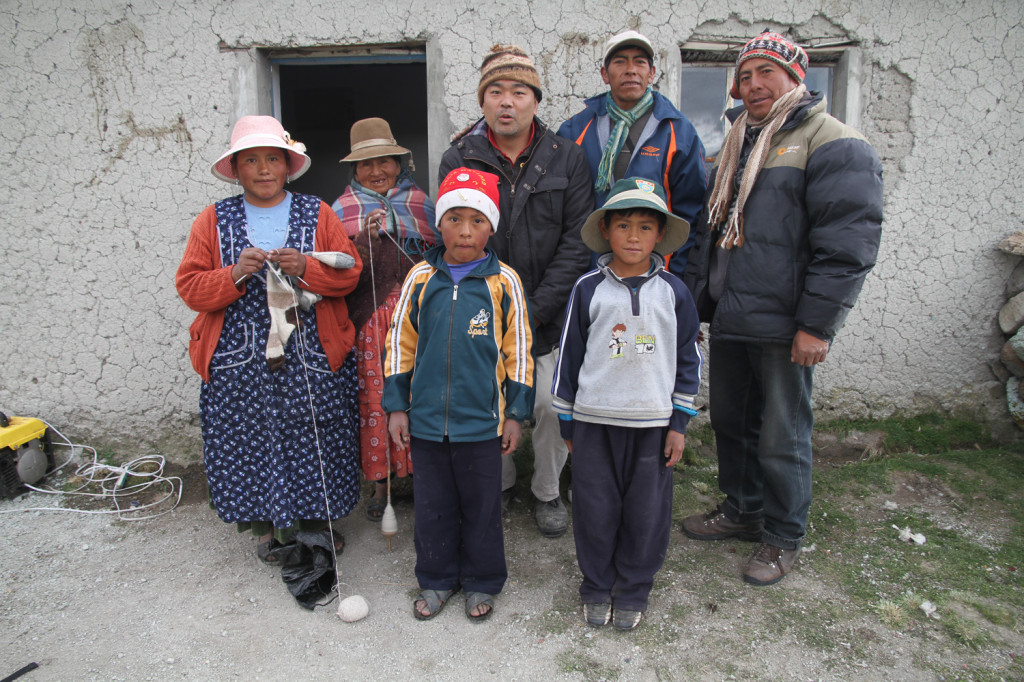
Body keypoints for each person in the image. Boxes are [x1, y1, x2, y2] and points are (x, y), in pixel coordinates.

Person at [681, 31, 884, 585]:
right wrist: (701, 307)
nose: (753, 86)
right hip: (732, 315)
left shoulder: (832, 142)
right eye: (744, 77)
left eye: (766, 73)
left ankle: (782, 534)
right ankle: (743, 509)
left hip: (785, 322)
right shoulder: (739, 145)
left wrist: (817, 325)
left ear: (797, 77)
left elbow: (847, 245)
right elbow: (713, 232)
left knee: (783, 433)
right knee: (730, 421)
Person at [176, 115, 362, 565]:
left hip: (310, 351)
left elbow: (350, 273)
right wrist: (235, 272)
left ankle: (318, 526)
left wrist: (307, 269)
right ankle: (269, 529)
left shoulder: (316, 213)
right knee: (250, 439)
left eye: (272, 160)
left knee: (314, 433)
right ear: (236, 169)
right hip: (239, 358)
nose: (263, 169)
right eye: (252, 160)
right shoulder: (213, 220)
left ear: (287, 166)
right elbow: (190, 287)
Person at [439, 44, 593, 538]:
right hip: (481, 309)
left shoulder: (567, 158)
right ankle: (499, 485)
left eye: (518, 91)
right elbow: (450, 238)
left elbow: (577, 243)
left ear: (535, 100)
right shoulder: (460, 157)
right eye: (496, 92)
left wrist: (535, 309)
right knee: (488, 399)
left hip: (549, 317)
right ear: (483, 101)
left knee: (550, 404)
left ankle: (548, 491)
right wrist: (490, 305)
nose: (507, 102)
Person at [382, 168, 534, 621]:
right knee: (432, 506)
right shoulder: (421, 278)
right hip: (426, 421)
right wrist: (396, 407)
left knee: (482, 506)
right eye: (454, 219)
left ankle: (482, 580)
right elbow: (399, 345)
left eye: (476, 220)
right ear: (439, 224)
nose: (465, 231)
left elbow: (519, 351)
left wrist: (514, 414)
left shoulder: (504, 282)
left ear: (491, 226)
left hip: (481, 424)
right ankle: (436, 578)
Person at [552, 177, 702, 630]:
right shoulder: (587, 289)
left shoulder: (674, 292)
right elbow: (568, 357)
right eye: (622, 225)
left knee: (646, 513)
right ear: (606, 232)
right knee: (594, 510)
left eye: (644, 226)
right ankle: (596, 585)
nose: (633, 236)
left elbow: (688, 360)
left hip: (653, 426)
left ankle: (634, 588)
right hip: (594, 424)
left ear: (659, 235)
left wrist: (679, 422)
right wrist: (567, 422)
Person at [331, 117, 436, 522]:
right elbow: (337, 273)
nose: (376, 171)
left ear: (400, 163)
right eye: (365, 165)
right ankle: (381, 484)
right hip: (370, 324)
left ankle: (426, 478)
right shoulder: (341, 210)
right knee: (376, 403)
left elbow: (440, 259)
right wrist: (364, 242)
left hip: (419, 319)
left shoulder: (423, 205)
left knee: (422, 396)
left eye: (385, 162)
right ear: (353, 171)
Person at [557, 30, 707, 275]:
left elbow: (691, 212)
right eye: (620, 61)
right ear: (605, 74)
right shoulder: (575, 130)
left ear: (652, 74)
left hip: (654, 273)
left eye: (639, 61)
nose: (630, 70)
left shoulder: (677, 131)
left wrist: (676, 277)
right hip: (589, 272)